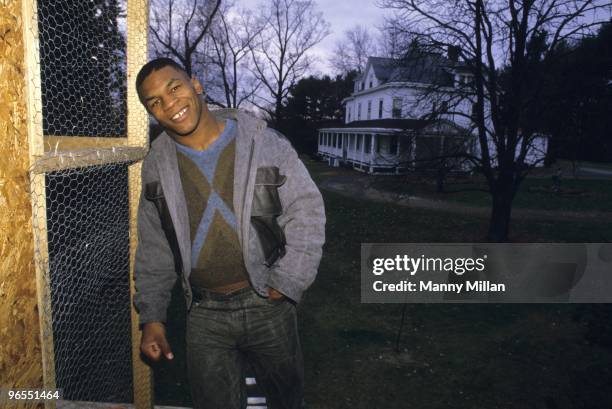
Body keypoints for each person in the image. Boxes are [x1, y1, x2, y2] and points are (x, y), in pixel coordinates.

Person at [133, 58, 326, 409]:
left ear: (196, 85)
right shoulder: (156, 166)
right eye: (155, 101)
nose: (169, 103)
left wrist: (289, 280)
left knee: (287, 402)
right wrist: (152, 317)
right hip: (204, 315)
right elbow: (154, 246)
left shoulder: (263, 143)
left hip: (267, 304)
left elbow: (307, 210)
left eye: (174, 88)